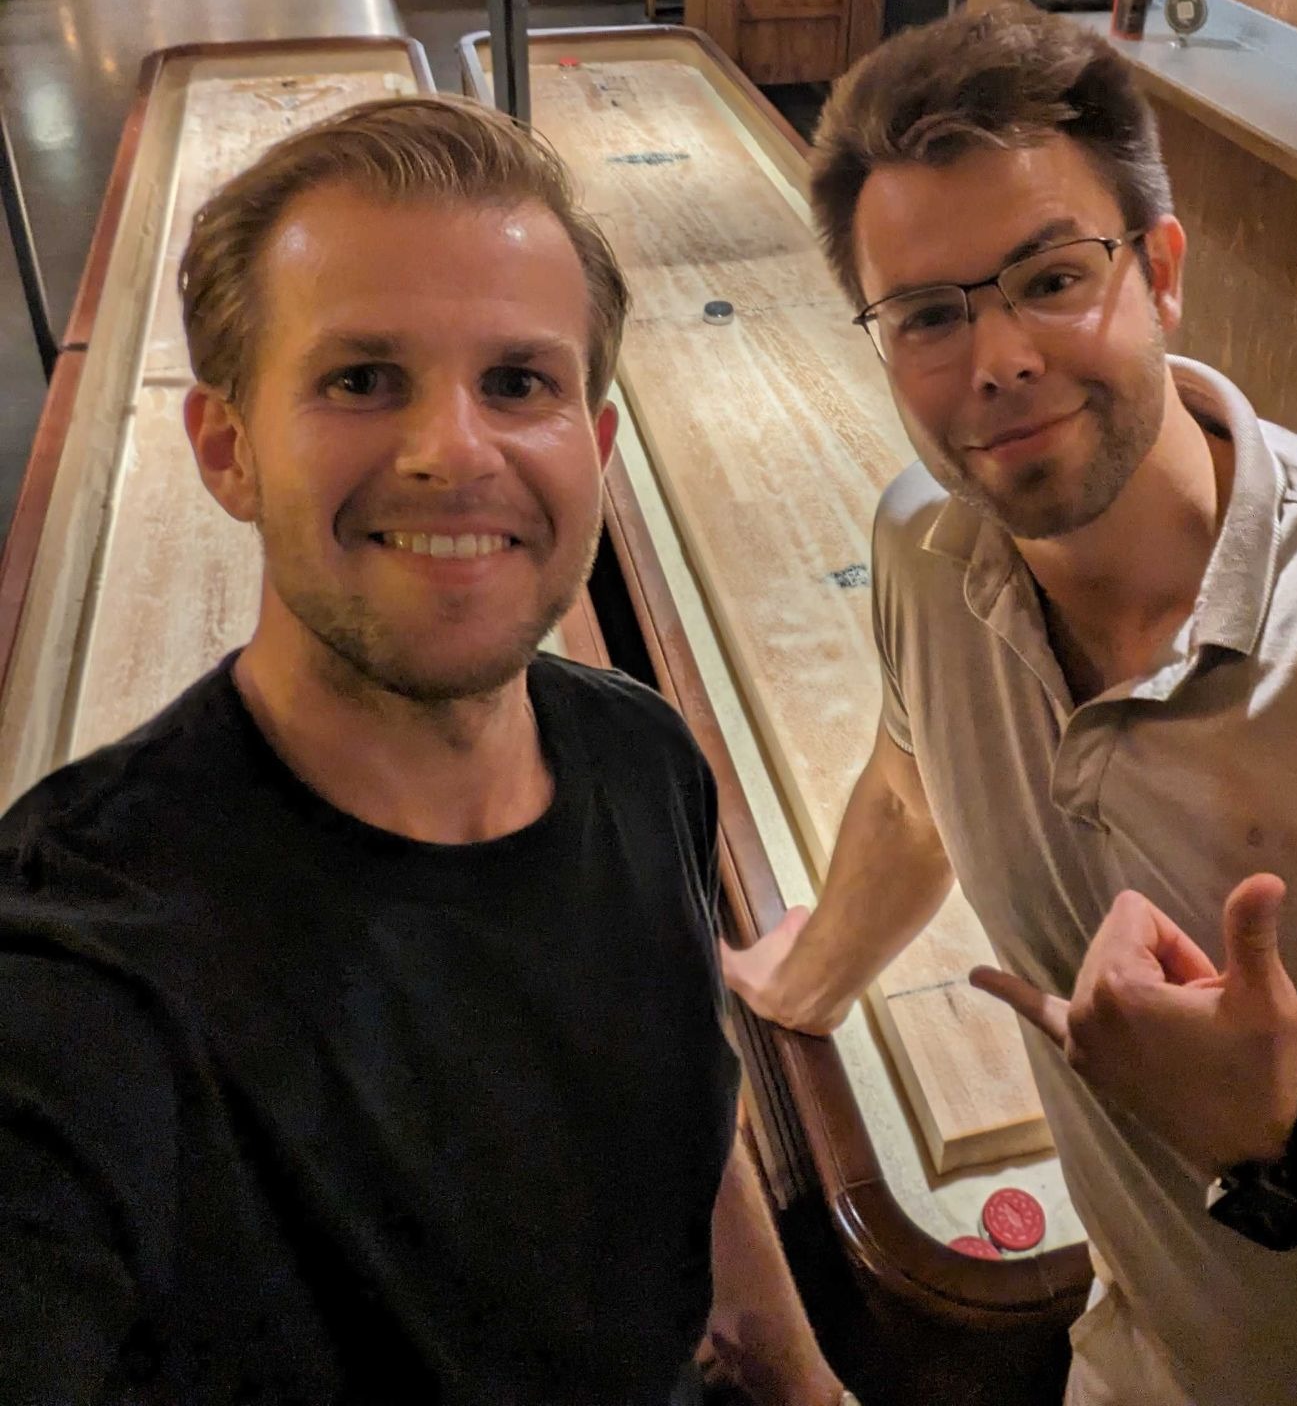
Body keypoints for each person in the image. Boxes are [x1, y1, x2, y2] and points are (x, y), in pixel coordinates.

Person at [723, 4, 1297, 1406]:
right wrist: (805, 982)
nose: (996, 358)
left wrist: (1286, 1136)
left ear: (1159, 272)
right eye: (927, 314)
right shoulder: (926, 544)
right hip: (1133, 1356)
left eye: (1049, 277)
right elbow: (914, 791)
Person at [0, 96, 852, 1406]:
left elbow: (688, 1103)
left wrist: (803, 1379)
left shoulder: (641, 757)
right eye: (360, 379)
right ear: (228, 449)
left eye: (518, 383)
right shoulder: (82, 958)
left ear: (594, 448)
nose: (455, 449)